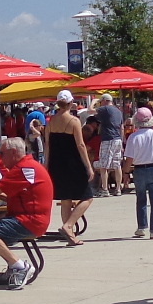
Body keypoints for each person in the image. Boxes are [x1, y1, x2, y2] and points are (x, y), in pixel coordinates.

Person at [0, 136, 53, 289]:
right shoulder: (29, 166)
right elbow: (6, 193)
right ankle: (13, 266)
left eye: (2, 154)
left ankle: (19, 266)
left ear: (13, 153)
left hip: (29, 221)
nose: (0, 158)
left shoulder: (24, 168)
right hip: (31, 219)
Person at [43, 92, 93, 245]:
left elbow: (47, 145)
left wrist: (46, 164)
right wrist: (88, 166)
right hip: (73, 163)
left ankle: (70, 235)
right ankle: (69, 225)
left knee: (65, 199)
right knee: (87, 197)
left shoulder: (50, 122)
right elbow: (81, 145)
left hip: (56, 163)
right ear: (71, 103)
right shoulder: (74, 121)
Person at [123, 107, 153, 238]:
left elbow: (129, 159)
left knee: (141, 200)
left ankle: (141, 227)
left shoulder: (133, 137)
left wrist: (126, 174)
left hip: (139, 170)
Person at [92, 94, 126, 197]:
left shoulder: (105, 109)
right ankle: (118, 188)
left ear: (104, 101)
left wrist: (94, 102)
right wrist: (122, 140)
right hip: (117, 139)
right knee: (117, 165)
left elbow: (90, 111)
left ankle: (105, 189)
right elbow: (122, 127)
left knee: (103, 165)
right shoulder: (118, 111)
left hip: (108, 139)